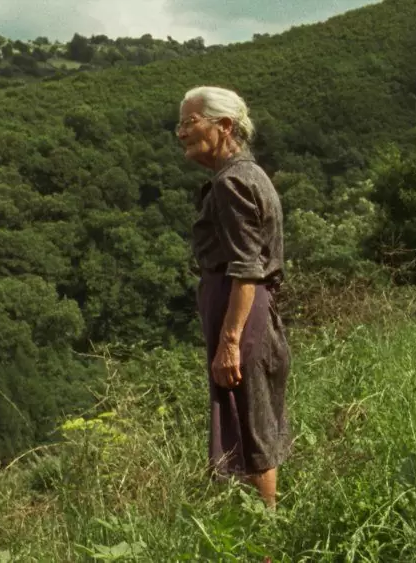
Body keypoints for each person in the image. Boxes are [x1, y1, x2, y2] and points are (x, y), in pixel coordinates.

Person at [176, 85, 292, 509]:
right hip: (245, 307)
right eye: (179, 124)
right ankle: (262, 522)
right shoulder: (247, 174)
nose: (181, 133)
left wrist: (229, 342)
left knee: (249, 422)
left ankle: (266, 529)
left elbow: (246, 268)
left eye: (190, 122)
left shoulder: (232, 183)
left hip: (240, 310)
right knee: (253, 415)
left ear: (224, 126)